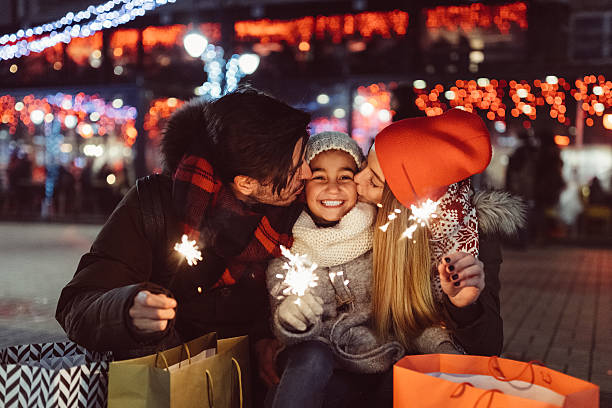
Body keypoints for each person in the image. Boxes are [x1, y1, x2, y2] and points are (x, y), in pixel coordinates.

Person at [55, 88, 312, 400]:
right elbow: (77, 305)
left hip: (254, 389)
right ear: (246, 182)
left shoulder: (300, 215)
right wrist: (128, 309)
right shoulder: (154, 205)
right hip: (166, 388)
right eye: (295, 165)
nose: (308, 173)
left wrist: (270, 338)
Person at [264, 132, 459, 408]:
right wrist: (291, 316)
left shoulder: (383, 242)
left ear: (358, 183)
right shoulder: (288, 253)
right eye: (319, 177)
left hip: (377, 370)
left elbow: (408, 318)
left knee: (406, 375)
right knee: (312, 355)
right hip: (319, 374)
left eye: (344, 176)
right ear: (303, 185)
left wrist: (442, 348)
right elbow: (284, 321)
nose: (332, 188)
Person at [353, 108, 525, 405]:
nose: (356, 180)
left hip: (426, 373)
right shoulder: (357, 218)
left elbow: (488, 349)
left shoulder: (473, 237)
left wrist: (465, 306)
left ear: (406, 203)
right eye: (365, 165)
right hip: (364, 357)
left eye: (375, 181)